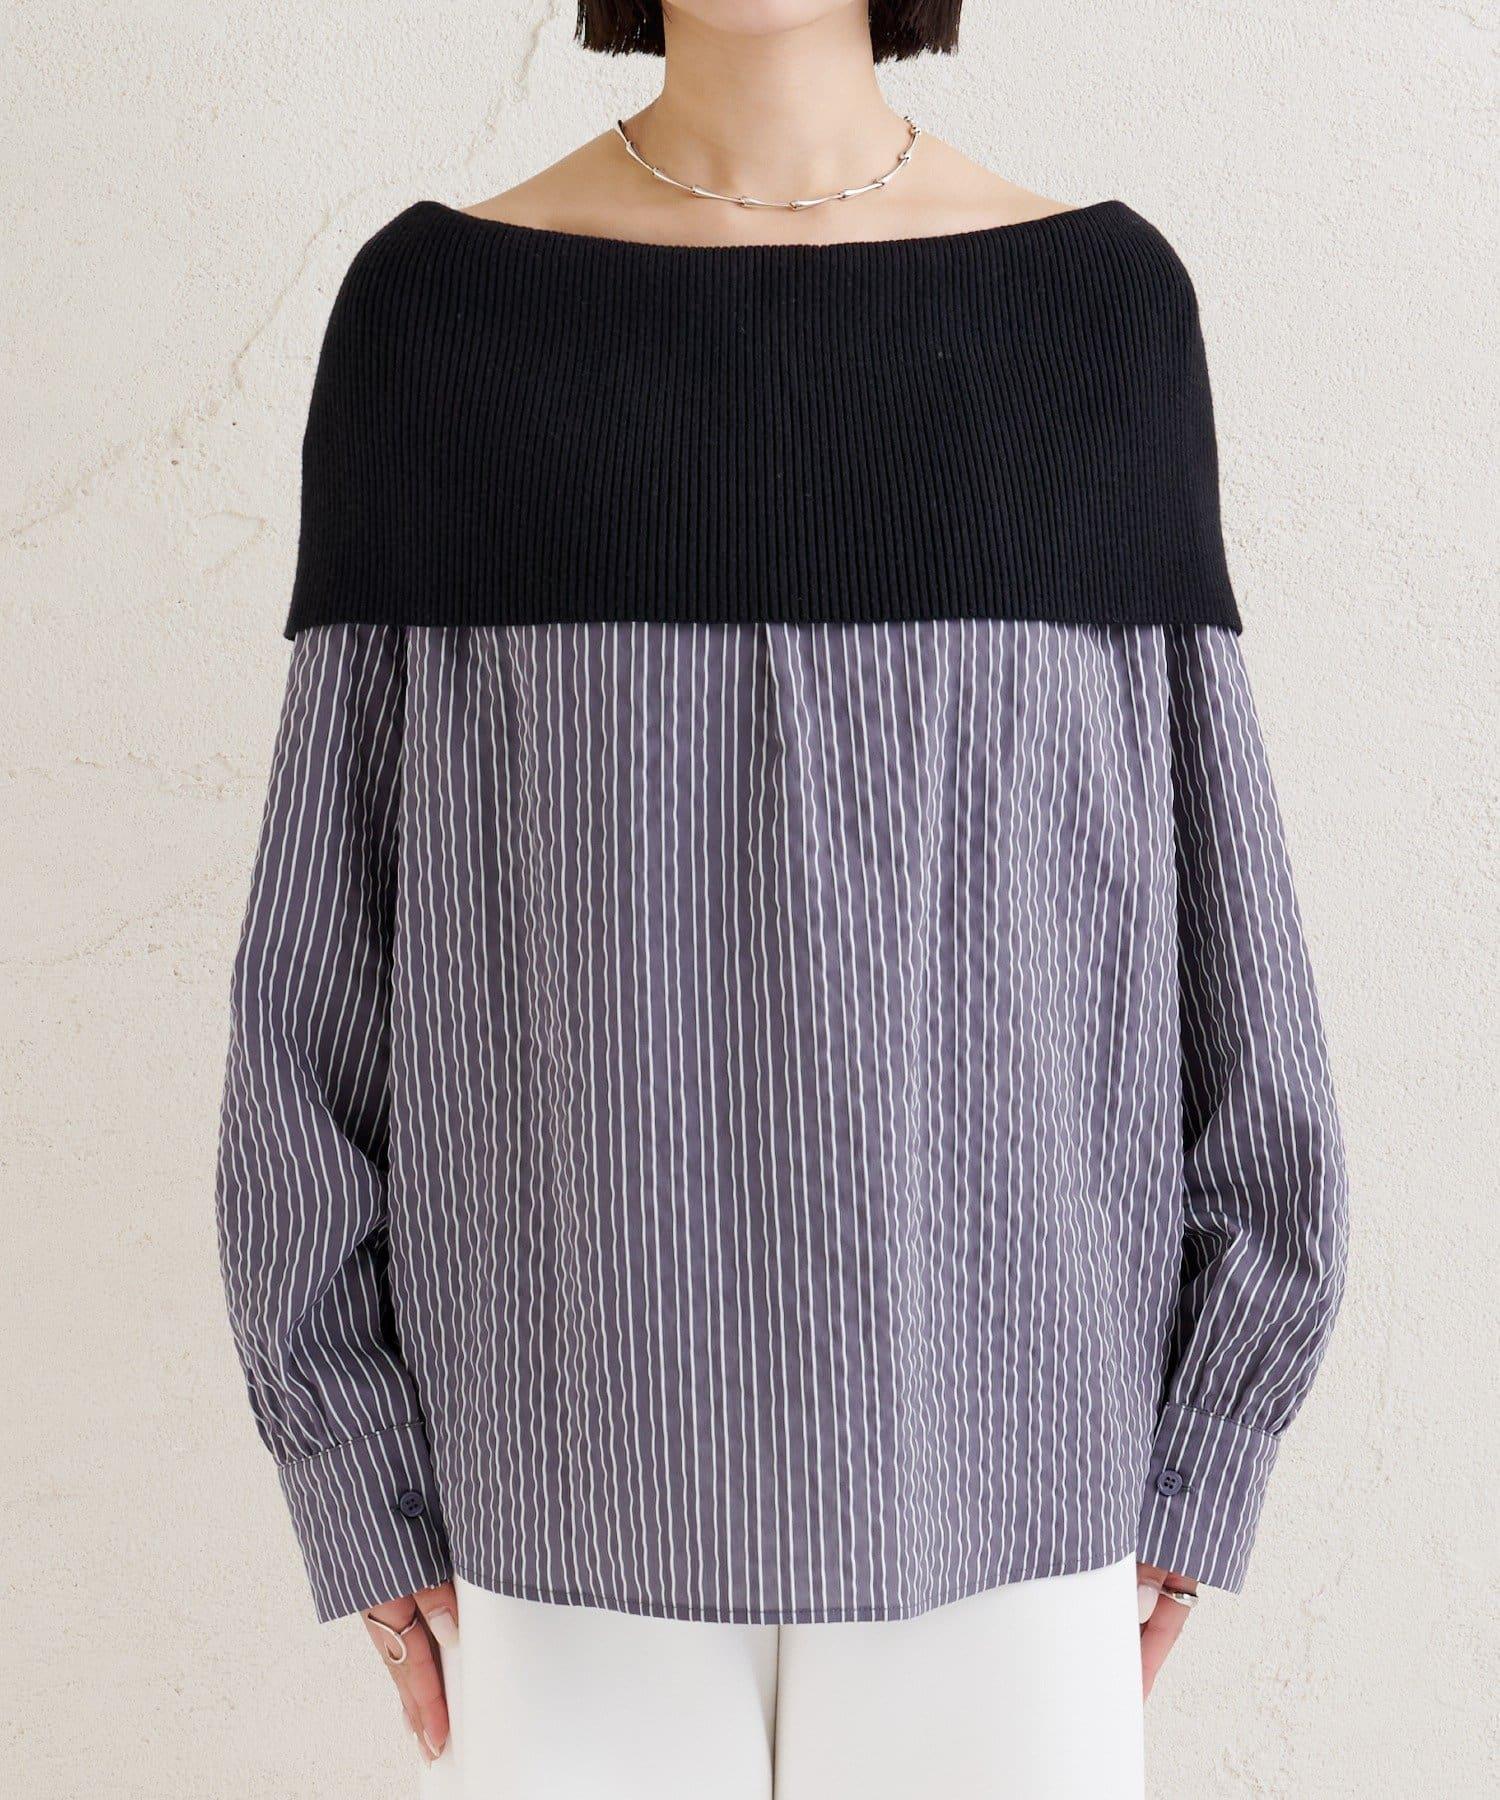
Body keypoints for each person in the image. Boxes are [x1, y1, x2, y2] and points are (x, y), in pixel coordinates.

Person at [214, 3, 1350, 1794]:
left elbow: (1224, 929)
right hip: (555, 1492)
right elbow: (319, 959)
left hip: (1016, 1478)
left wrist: (1217, 1432)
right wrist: (349, 1460)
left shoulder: (1098, 314)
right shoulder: (435, 317)